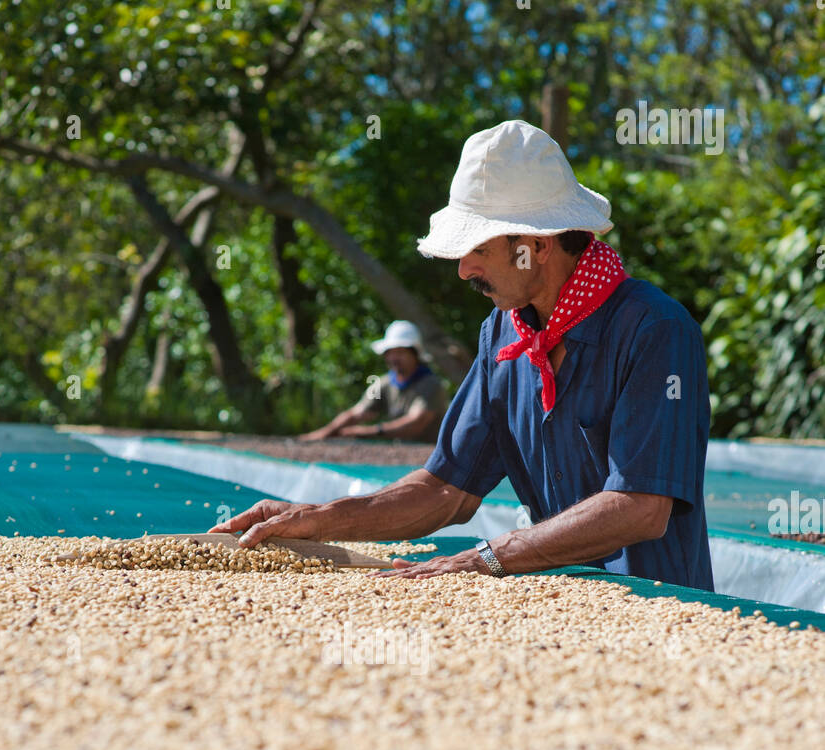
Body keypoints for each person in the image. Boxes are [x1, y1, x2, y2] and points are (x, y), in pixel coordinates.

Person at [215, 120, 714, 588]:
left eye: (476, 246)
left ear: (536, 246)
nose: (462, 269)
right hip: (565, 611)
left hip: (664, 608)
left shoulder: (656, 330)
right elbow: (444, 491)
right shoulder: (503, 333)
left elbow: (642, 506)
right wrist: (314, 518)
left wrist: (488, 558)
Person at [297, 321, 447, 445]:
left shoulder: (431, 384)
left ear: (415, 355)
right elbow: (357, 413)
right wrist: (323, 434)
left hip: (429, 455)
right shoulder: (382, 383)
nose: (394, 358)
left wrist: (368, 431)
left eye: (400, 352)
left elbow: (416, 424)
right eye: (390, 353)